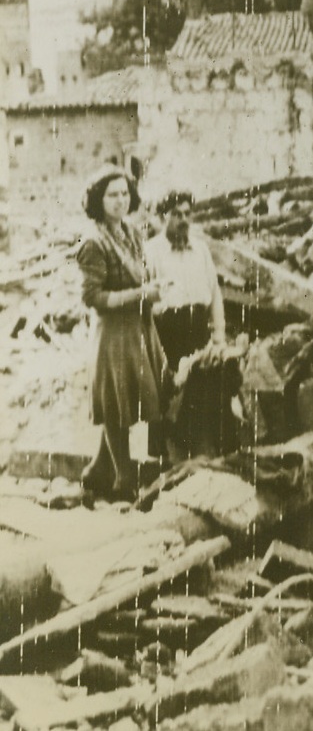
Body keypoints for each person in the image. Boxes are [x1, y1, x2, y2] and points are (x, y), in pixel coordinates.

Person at [76, 164, 168, 501]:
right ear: (98, 201)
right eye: (111, 194)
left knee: (127, 398)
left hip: (136, 328)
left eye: (124, 194)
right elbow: (92, 298)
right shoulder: (93, 242)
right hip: (113, 334)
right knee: (117, 404)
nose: (119, 200)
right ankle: (124, 480)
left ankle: (99, 469)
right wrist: (141, 295)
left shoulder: (131, 232)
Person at [145, 190, 225, 372]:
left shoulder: (201, 249)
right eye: (176, 214)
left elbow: (214, 293)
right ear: (162, 216)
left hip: (199, 332)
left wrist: (219, 336)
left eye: (187, 214)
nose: (183, 219)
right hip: (167, 336)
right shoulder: (150, 252)